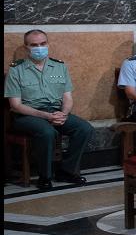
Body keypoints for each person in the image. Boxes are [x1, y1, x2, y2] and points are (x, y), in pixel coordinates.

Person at [5, 29, 95, 190]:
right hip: (28, 115)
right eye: (34, 45)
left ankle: (66, 170)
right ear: (26, 47)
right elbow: (15, 105)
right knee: (47, 132)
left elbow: (67, 97)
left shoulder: (59, 66)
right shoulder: (16, 70)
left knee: (84, 128)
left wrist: (64, 114)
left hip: (55, 112)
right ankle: (44, 176)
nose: (39, 48)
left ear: (48, 44)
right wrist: (46, 116)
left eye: (43, 43)